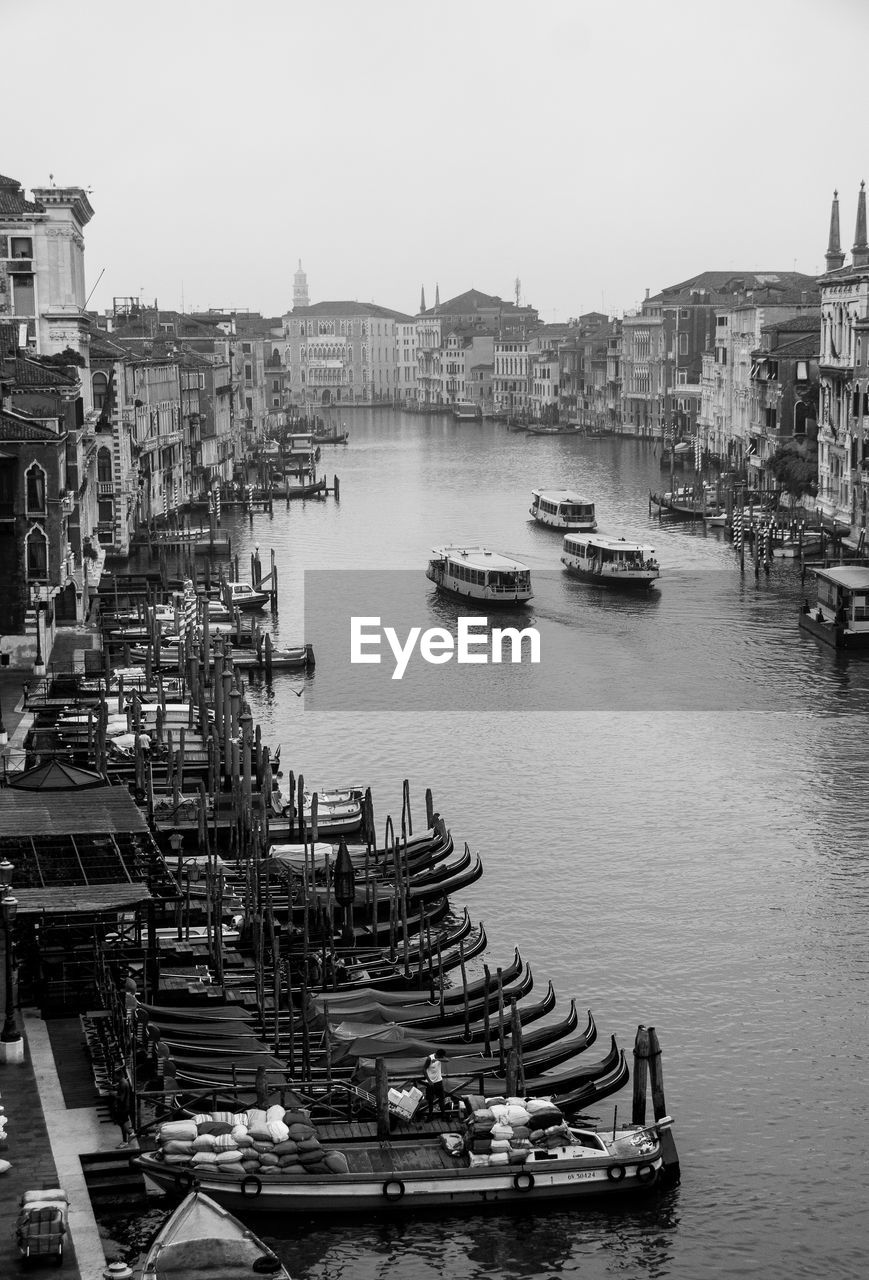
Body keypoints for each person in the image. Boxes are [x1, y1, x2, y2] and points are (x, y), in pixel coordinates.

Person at [109, 1067, 135, 1147]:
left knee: (121, 1122)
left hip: (123, 1107)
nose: (113, 1078)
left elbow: (121, 1098)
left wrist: (114, 1094)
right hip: (125, 1107)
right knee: (122, 1123)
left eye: (114, 1076)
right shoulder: (123, 1081)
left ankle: (130, 1134)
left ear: (118, 1075)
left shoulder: (123, 1084)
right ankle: (125, 1140)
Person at [423, 1048, 448, 1121]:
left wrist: (437, 1060)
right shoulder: (429, 1058)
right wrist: (429, 1081)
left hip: (439, 1082)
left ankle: (443, 1115)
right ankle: (430, 1116)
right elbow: (424, 1070)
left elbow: (447, 1060)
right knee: (430, 1100)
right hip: (430, 1083)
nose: (442, 1058)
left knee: (441, 1099)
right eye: (440, 1057)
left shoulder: (439, 1058)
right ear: (438, 1055)